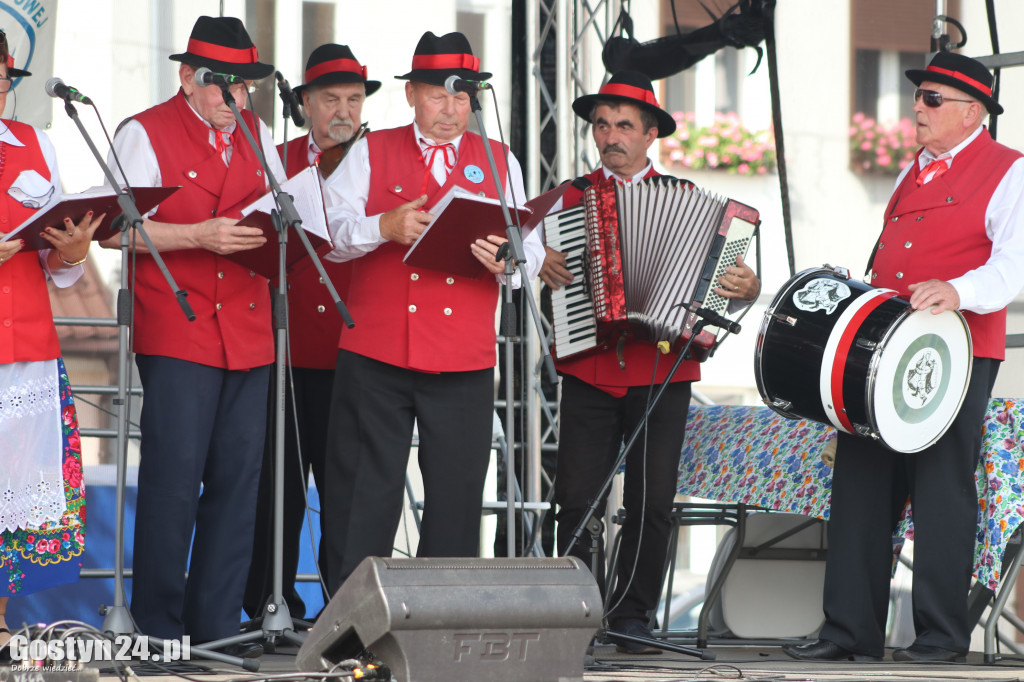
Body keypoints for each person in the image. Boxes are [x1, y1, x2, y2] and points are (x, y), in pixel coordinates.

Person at [783, 52, 1024, 663]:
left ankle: (942, 637)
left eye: (933, 98)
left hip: (955, 349)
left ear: (974, 111)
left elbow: (1013, 264)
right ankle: (848, 631)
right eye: (919, 96)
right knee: (860, 479)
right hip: (887, 347)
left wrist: (959, 291)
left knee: (943, 485)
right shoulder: (910, 170)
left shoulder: (1010, 171)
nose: (918, 105)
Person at [534, 71, 760, 653]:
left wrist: (746, 288)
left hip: (663, 369)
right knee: (577, 499)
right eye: (601, 125)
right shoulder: (567, 199)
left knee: (652, 501)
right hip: (590, 364)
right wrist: (542, 268)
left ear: (651, 134)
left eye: (624, 126)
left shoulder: (694, 205)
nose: (610, 136)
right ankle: (575, 613)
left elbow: (723, 291)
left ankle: (633, 616)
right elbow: (524, 268)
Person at [321, 30, 543, 594]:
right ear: (413, 96)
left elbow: (531, 253)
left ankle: (442, 622)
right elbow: (331, 235)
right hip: (376, 350)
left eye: (462, 98)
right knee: (364, 496)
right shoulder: (371, 150)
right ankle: (351, 623)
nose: (451, 110)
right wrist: (384, 227)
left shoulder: (499, 158)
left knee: (456, 496)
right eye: (439, 96)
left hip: (462, 356)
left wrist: (506, 262)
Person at [102, 16, 285, 657]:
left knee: (240, 480)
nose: (235, 100)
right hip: (177, 326)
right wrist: (197, 237)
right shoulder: (142, 132)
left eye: (245, 87)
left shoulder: (260, 134)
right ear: (187, 77)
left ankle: (216, 625)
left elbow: (285, 219)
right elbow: (108, 230)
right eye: (221, 86)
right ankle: (157, 631)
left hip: (251, 328)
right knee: (174, 480)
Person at [244, 43, 379, 621]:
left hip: (359, 353)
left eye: (353, 98)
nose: (343, 111)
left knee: (351, 494)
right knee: (278, 491)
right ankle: (269, 601)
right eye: (331, 99)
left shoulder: (381, 162)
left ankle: (346, 613)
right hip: (286, 349)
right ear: (304, 104)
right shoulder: (273, 160)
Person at [0, 41, 98, 658]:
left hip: (27, 344)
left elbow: (59, 268)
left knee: (11, 493)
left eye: (3, 73)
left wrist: (74, 250)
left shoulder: (36, 143)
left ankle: (0, 623)